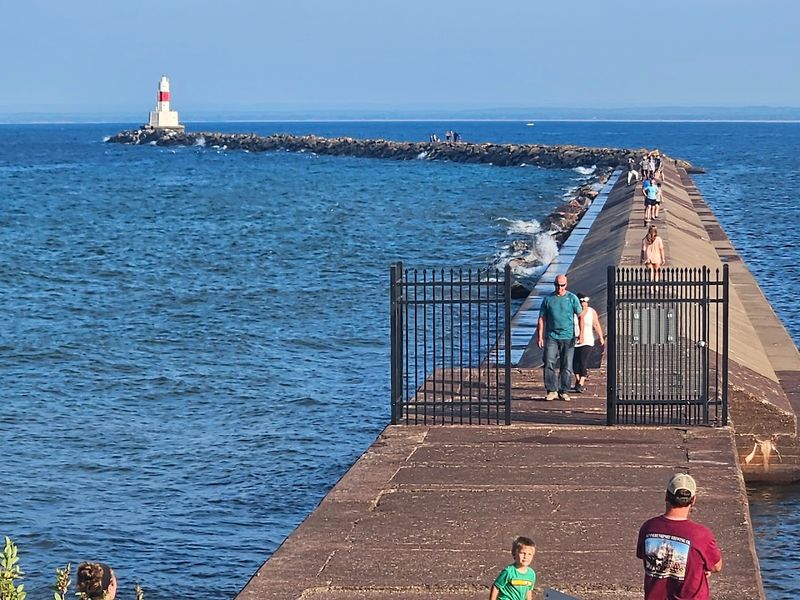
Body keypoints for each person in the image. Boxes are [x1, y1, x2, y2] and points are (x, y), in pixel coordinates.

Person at [637, 474, 722, 600]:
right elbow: (716, 566)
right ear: (693, 500)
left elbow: (645, 557)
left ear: (666, 496)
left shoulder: (648, 527)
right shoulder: (701, 535)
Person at [537, 274, 583, 401]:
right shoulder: (548, 299)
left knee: (566, 365)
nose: (560, 288)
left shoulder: (572, 298)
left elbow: (580, 316)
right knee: (548, 362)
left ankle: (564, 390)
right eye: (557, 285)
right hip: (551, 336)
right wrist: (539, 336)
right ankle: (551, 390)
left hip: (568, 336)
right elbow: (541, 318)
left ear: (566, 285)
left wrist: (581, 333)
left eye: (562, 285)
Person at [572, 294, 605, 393]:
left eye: (585, 302)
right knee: (575, 363)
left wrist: (601, 337)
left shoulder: (591, 312)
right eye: (581, 302)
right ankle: (578, 381)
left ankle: (581, 382)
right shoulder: (573, 312)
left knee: (583, 361)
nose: (584, 304)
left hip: (587, 340)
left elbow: (596, 324)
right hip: (575, 341)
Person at [490, 536, 536, 600]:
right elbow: (496, 586)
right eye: (523, 553)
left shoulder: (531, 574)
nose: (526, 557)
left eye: (529, 554)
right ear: (514, 554)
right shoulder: (508, 572)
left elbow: (528, 591)